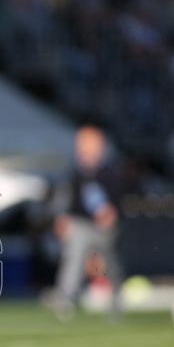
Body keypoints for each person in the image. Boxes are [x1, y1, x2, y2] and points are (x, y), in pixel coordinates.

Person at [51, 125, 124, 318]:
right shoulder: (73, 172)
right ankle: (65, 299)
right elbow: (64, 199)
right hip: (80, 223)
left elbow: (117, 200)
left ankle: (116, 301)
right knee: (74, 258)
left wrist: (110, 214)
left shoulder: (110, 172)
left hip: (103, 226)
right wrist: (62, 218)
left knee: (110, 263)